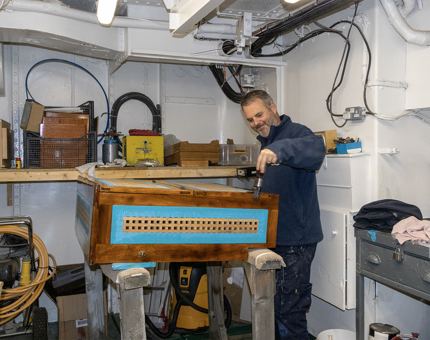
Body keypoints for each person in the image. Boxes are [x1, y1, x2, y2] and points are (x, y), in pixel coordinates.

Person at [240, 90, 326, 340]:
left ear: (273, 108)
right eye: (250, 120)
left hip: (296, 242)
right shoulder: (264, 143)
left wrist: (279, 150)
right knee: (271, 309)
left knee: (290, 313)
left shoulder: (296, 133)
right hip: (272, 240)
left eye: (259, 115)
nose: (256, 123)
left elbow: (315, 150)